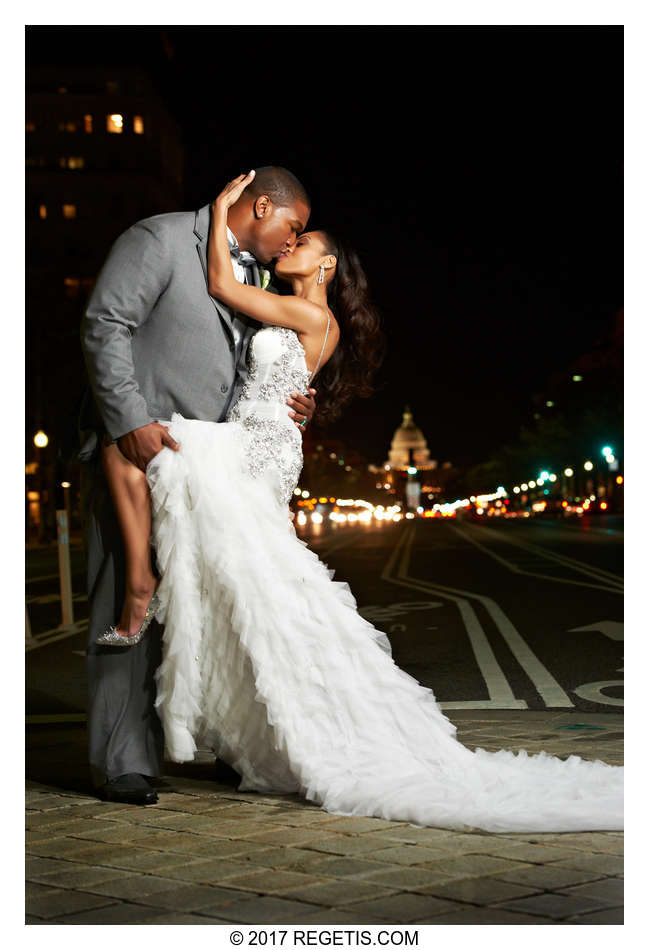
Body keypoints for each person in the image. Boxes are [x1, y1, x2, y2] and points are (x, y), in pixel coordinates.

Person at [106, 171, 622, 832]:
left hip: (256, 445)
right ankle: (250, 702)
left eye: (303, 241)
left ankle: (143, 590)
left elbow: (218, 287)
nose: (288, 245)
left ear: (324, 263)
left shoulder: (308, 311)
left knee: (138, 448)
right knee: (261, 578)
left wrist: (219, 210)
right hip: (259, 440)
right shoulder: (290, 306)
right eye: (288, 235)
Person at [79, 166, 317, 805]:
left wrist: (291, 402)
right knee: (135, 598)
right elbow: (105, 325)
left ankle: (227, 743)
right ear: (261, 206)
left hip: (219, 469)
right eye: (290, 227)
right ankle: (124, 758)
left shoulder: (260, 276)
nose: (292, 243)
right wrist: (130, 421)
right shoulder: (158, 239)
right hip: (142, 454)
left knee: (216, 608)